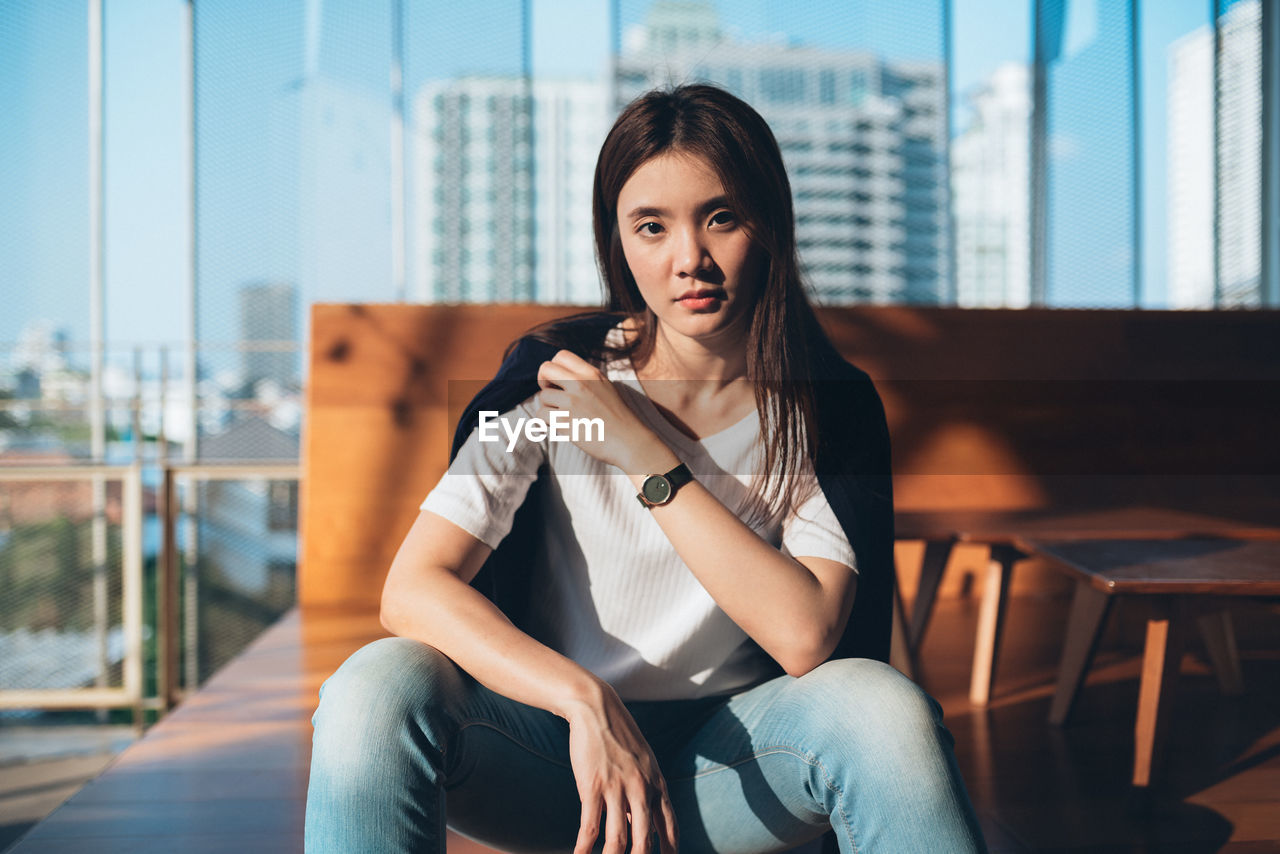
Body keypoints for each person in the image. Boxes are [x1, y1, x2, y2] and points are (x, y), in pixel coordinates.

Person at [305, 82, 987, 854]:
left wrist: (645, 455)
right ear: (618, 240)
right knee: (374, 685)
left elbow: (806, 636)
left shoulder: (822, 408)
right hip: (554, 757)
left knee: (884, 709)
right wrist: (581, 700)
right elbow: (412, 588)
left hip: (732, 773)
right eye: (652, 227)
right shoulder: (557, 381)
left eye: (720, 218)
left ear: (769, 223)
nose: (688, 259)